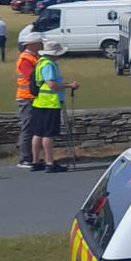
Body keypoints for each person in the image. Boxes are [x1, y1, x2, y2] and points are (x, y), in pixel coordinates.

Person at [29, 40, 78, 172]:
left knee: (38, 133)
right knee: (48, 134)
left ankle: (35, 161)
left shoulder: (41, 62)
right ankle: (50, 162)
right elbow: (52, 85)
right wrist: (69, 86)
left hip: (40, 102)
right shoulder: (49, 65)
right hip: (50, 103)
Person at [14, 35, 43, 168]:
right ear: (31, 44)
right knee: (28, 127)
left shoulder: (34, 57)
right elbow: (31, 76)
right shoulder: (26, 59)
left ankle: (31, 156)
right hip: (26, 97)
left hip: (31, 96)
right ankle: (25, 158)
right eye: (39, 43)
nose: (41, 45)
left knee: (32, 127)